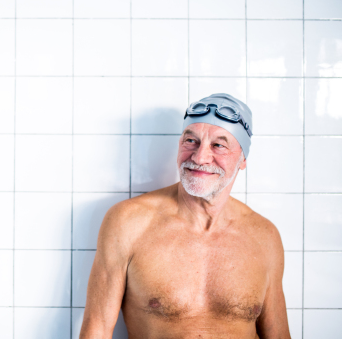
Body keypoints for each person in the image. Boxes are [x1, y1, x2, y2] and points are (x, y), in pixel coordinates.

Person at [80, 93, 291, 339]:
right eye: (191, 140)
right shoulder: (128, 223)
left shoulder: (264, 236)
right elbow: (97, 330)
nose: (199, 157)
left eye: (218, 145)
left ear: (243, 158)